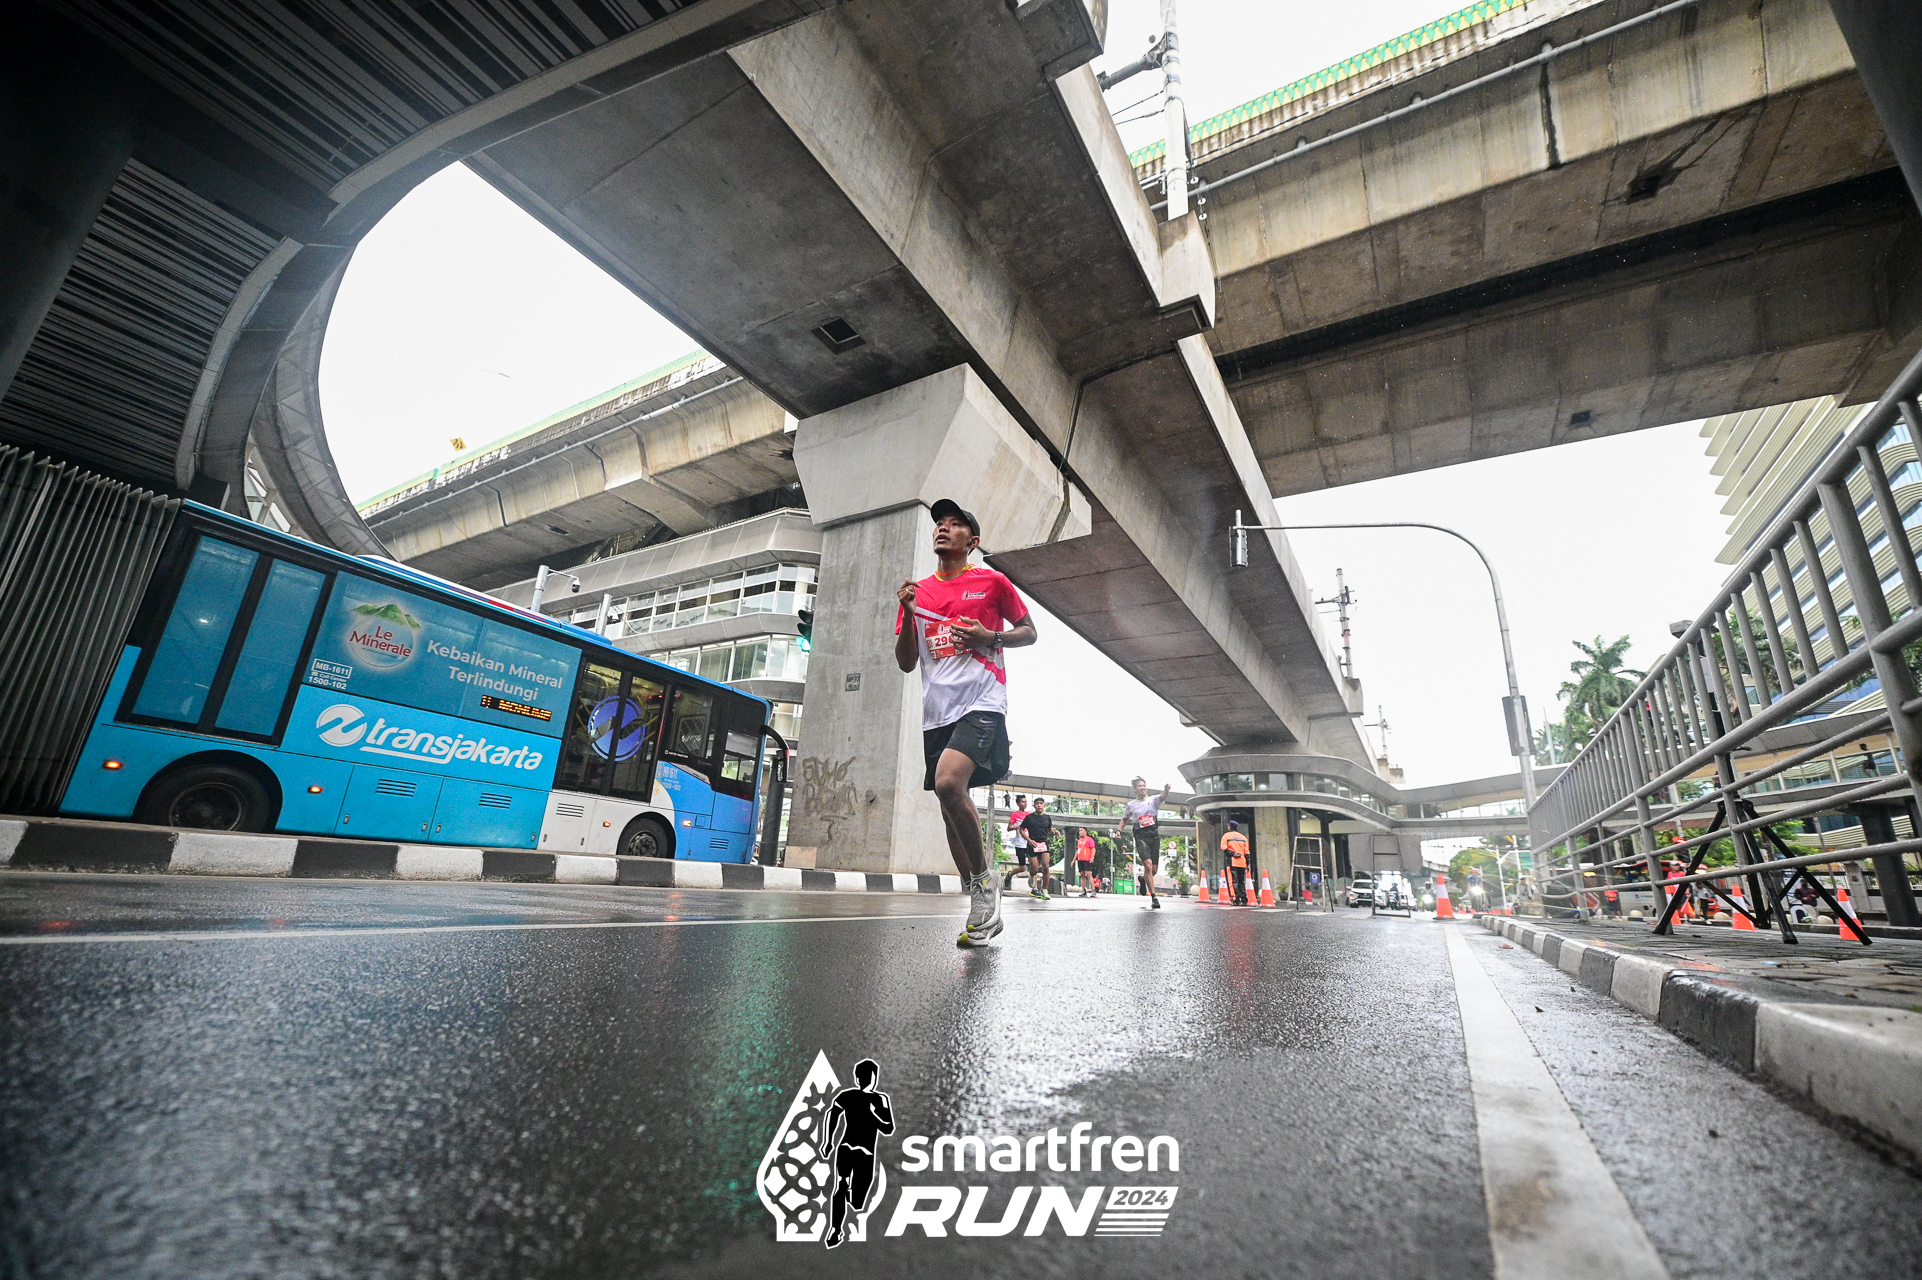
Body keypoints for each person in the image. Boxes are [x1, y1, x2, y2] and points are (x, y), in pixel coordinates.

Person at [895, 498, 1037, 947]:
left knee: (948, 782)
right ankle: (979, 897)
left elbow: (1030, 632)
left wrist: (988, 636)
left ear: (972, 542)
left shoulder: (992, 582)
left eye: (955, 524)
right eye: (940, 523)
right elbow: (906, 662)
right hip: (937, 712)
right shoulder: (917, 593)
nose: (943, 528)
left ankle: (984, 882)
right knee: (947, 805)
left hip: (983, 700)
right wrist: (909, 615)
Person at [823, 1058, 894, 1249]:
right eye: (863, 1076)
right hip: (848, 1147)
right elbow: (832, 1114)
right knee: (841, 1184)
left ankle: (849, 1199)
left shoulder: (880, 1099)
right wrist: (828, 1141)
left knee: (857, 1201)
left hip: (865, 1153)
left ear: (874, 1078)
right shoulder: (848, 1096)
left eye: (869, 1076)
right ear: (857, 1078)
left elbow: (888, 1128)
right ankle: (835, 1229)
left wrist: (872, 1115)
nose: (866, 1079)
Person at [1121, 777, 1173, 910]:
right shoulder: (1131, 805)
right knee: (1148, 865)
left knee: (1154, 870)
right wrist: (1119, 831)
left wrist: (1166, 790)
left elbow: (1163, 796)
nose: (1143, 788)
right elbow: (1124, 819)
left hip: (1153, 835)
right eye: (1140, 786)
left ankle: (1143, 880)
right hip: (1141, 836)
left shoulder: (1153, 800)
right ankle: (1154, 898)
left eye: (1144, 785)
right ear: (1135, 789)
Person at [1020, 797, 1055, 900]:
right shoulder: (1029, 818)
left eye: (1041, 803)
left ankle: (1045, 891)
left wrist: (1054, 832)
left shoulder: (1047, 818)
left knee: (1046, 866)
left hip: (1043, 844)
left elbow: (1049, 829)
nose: (1039, 805)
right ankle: (1031, 875)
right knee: (1035, 869)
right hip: (1033, 844)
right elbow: (1021, 829)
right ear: (1034, 806)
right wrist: (1029, 840)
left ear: (1044, 805)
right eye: (1037, 803)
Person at [1004, 794, 1030, 891]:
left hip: (1030, 842)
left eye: (1026, 802)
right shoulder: (1015, 814)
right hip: (1019, 843)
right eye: (1023, 802)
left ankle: (1035, 887)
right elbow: (1009, 828)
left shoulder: (1029, 815)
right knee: (1022, 868)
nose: (1025, 804)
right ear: (1018, 803)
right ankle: (1010, 874)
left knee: (1034, 864)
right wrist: (1020, 826)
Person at [1221, 819, 1250, 905]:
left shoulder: (1226, 836)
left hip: (1232, 862)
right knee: (1241, 881)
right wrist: (1248, 863)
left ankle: (1236, 899)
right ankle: (1244, 900)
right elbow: (1247, 852)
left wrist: (1233, 854)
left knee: (1233, 881)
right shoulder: (1243, 837)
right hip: (1242, 862)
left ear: (1230, 827)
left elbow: (1224, 847)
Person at [1075, 828, 1097, 897]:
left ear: (1085, 832)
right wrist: (1074, 859)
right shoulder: (1079, 841)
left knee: (1089, 874)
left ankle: (1093, 890)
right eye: (1079, 831)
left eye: (1081, 831)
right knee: (1082, 875)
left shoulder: (1089, 839)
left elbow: (1093, 849)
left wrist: (1092, 857)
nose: (1080, 832)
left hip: (1087, 859)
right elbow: (1078, 850)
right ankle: (1084, 890)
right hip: (1080, 859)